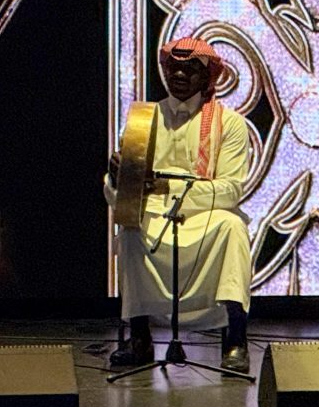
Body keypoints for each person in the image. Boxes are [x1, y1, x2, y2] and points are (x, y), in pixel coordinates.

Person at [107, 36, 253, 372]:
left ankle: (235, 338)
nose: (180, 74)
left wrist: (165, 186)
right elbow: (124, 193)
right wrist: (119, 178)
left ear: (207, 77)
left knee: (232, 227)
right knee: (130, 230)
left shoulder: (229, 123)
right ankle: (140, 338)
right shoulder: (146, 118)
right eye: (174, 67)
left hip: (206, 217)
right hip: (156, 215)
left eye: (190, 69)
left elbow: (230, 190)